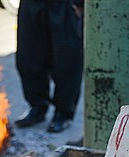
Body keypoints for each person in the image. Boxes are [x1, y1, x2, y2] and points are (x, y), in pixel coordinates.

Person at [14, 0, 84, 133]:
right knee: (28, 57)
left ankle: (63, 113)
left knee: (66, 60)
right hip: (32, 5)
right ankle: (37, 105)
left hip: (64, 5)